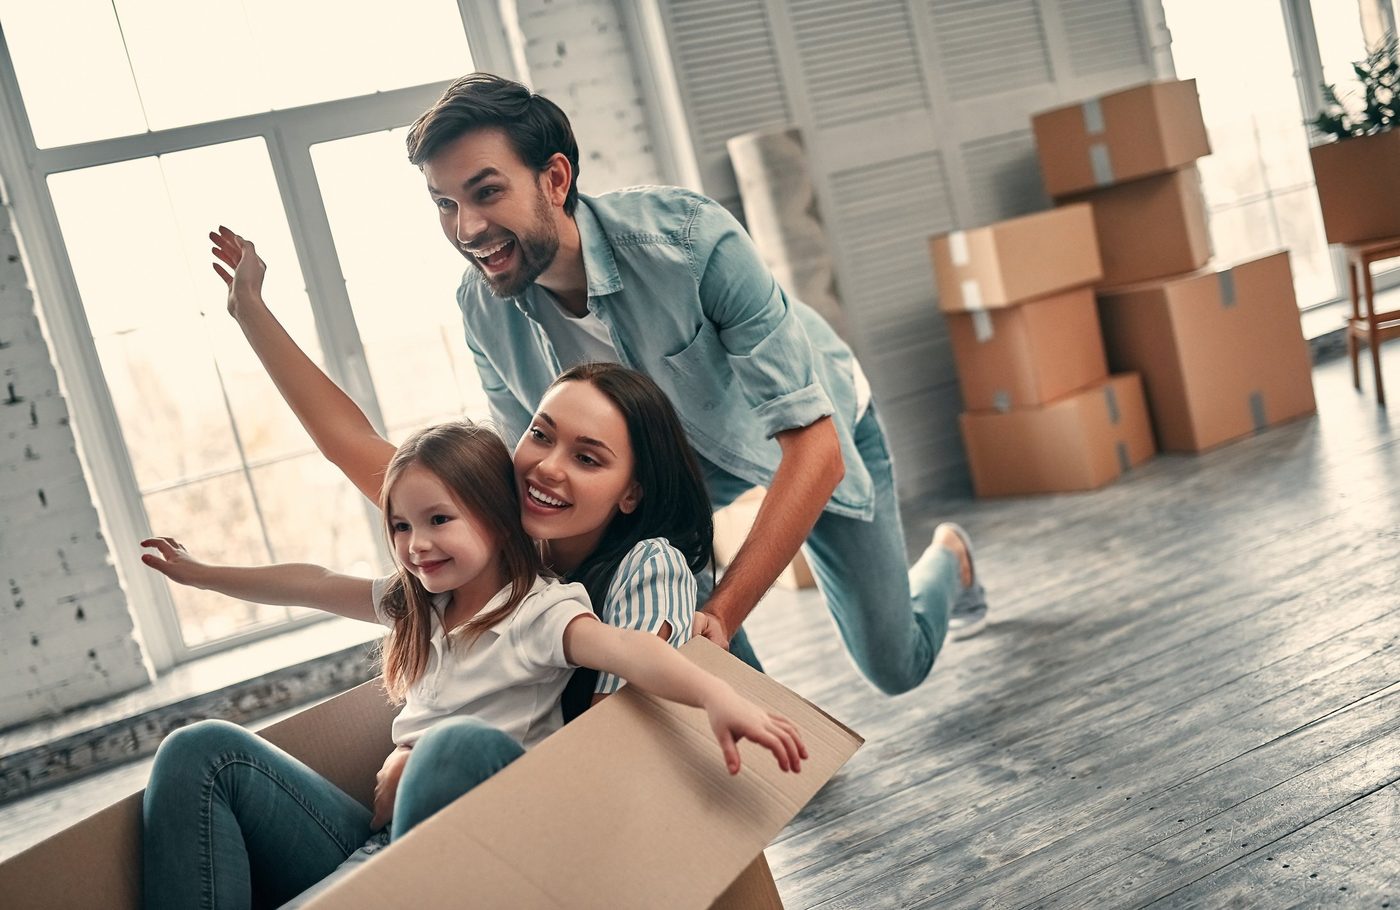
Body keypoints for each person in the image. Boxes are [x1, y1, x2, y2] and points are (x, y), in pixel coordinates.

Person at [402, 72, 988, 697]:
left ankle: (949, 559)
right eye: (445, 203)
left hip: (805, 432)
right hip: (659, 478)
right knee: (704, 672)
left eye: (486, 193)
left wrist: (725, 611)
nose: (466, 228)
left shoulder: (689, 241)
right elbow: (531, 477)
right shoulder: (483, 308)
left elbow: (816, 450)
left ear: (555, 179)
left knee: (895, 666)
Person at [139, 420, 806, 910]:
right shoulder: (417, 606)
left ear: (495, 519)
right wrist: (201, 576)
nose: (416, 544)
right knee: (202, 750)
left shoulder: (538, 611)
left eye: (438, 520)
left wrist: (719, 696)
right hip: (383, 846)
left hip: (493, 837)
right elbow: (311, 582)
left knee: (447, 748)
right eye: (400, 526)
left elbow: (628, 648)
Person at [207, 226, 717, 718]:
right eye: (539, 434)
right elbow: (348, 444)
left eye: (587, 458)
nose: (546, 467)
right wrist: (249, 309)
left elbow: (623, 730)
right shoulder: (486, 529)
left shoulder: (649, 566)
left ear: (632, 492)